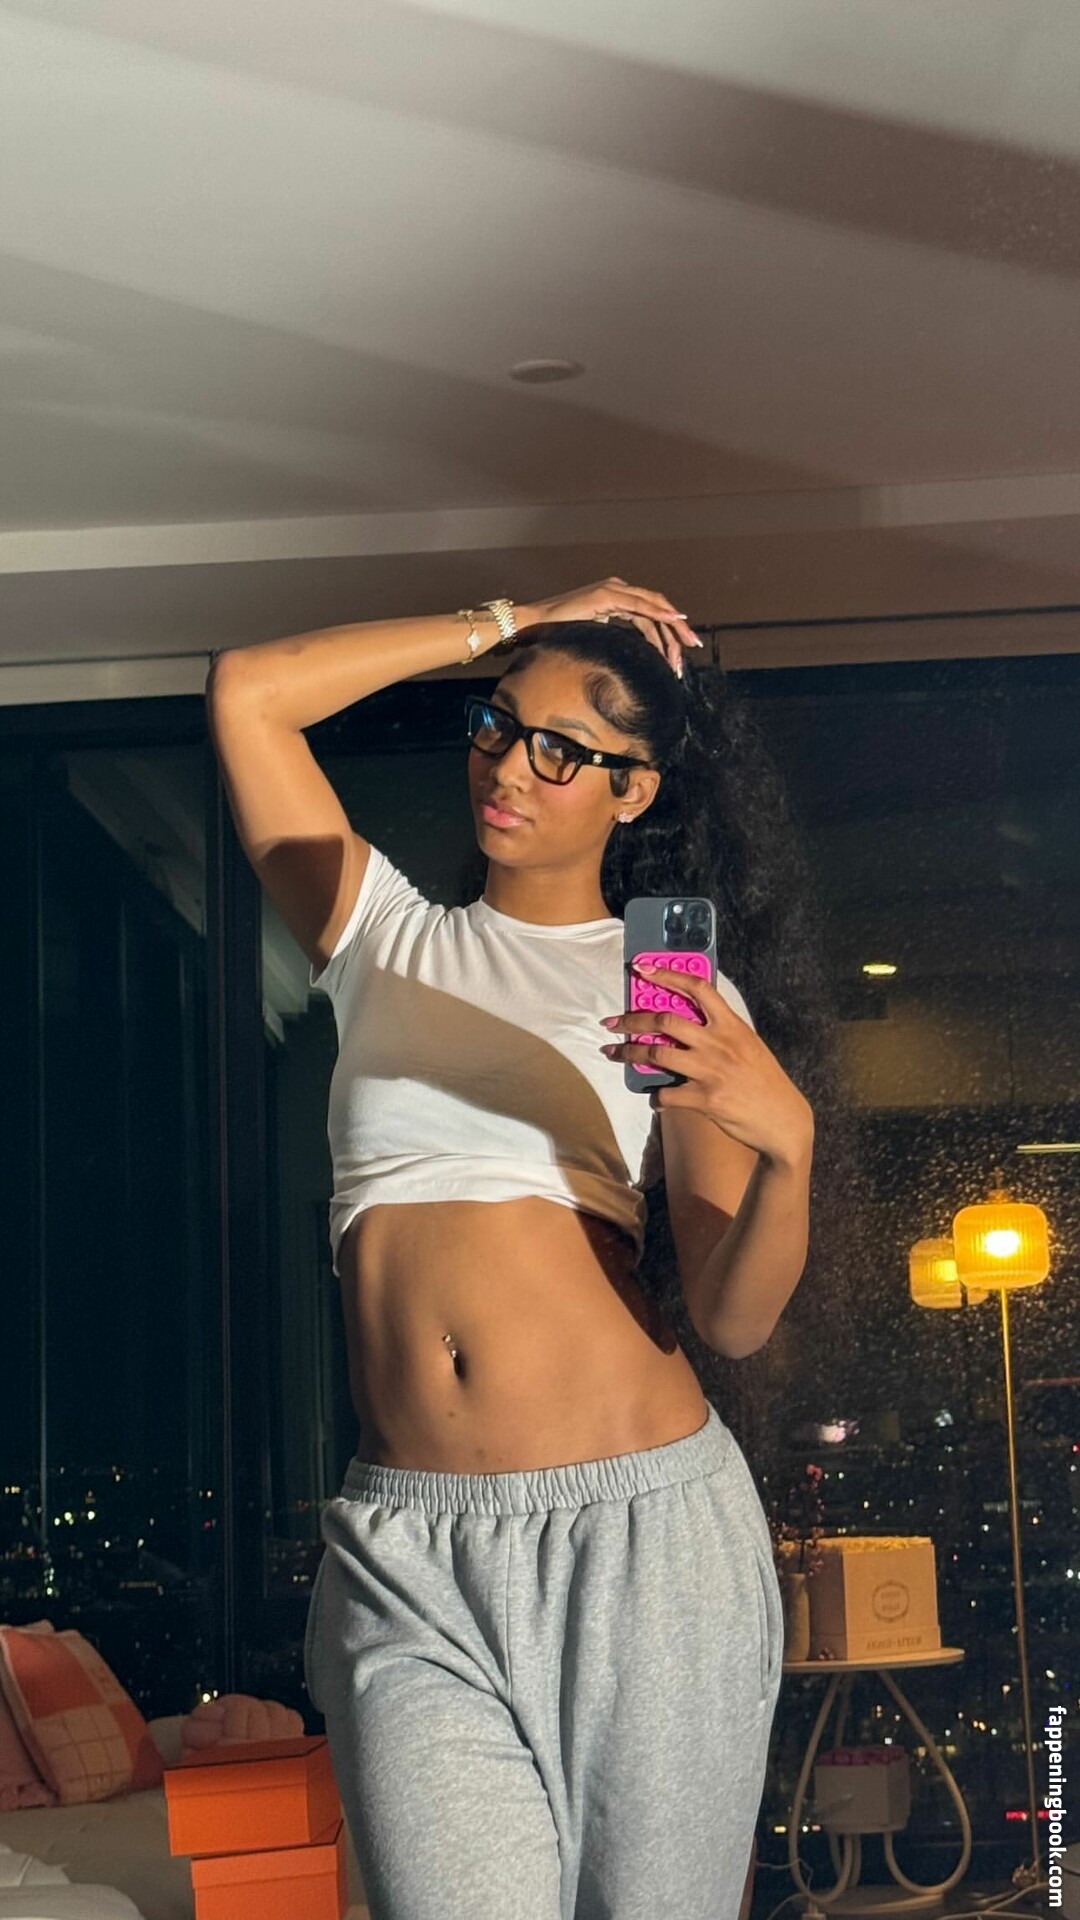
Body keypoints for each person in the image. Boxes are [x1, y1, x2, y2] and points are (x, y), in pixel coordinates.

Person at [206, 577, 816, 1920]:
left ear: (633, 791)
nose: (509, 766)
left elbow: (731, 1317)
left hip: (641, 1536)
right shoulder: (381, 935)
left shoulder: (670, 992)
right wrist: (513, 618)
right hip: (408, 1550)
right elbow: (249, 691)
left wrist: (790, 1146)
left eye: (562, 750)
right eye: (497, 724)